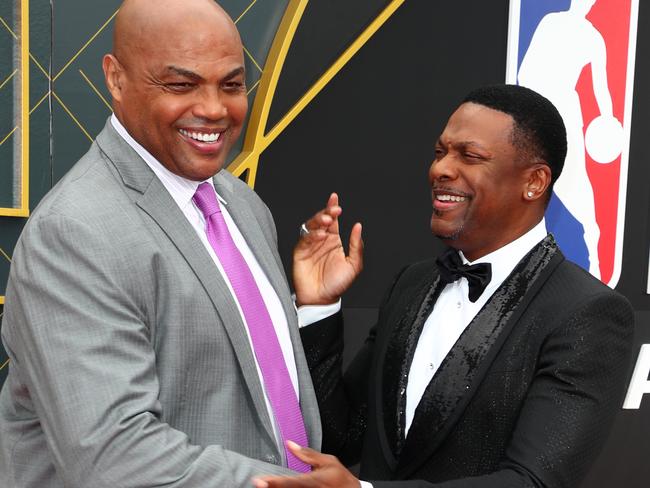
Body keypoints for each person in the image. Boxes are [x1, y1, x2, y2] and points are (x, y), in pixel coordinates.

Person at [0, 1, 322, 486]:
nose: (215, 108)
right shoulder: (74, 233)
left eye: (232, 84)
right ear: (116, 79)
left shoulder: (244, 206)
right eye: (181, 84)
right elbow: (113, 457)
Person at [253, 84, 635, 488]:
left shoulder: (586, 313)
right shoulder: (411, 284)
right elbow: (341, 435)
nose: (439, 170)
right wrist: (318, 308)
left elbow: (533, 482)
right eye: (440, 153)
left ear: (535, 182)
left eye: (469, 156)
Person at [518, 0, 622, 279]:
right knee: (522, 193)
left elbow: (602, 87)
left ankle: (597, 266)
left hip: (567, 116)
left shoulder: (593, 36)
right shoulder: (551, 21)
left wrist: (608, 120)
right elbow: (525, 71)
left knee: (580, 196)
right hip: (536, 117)